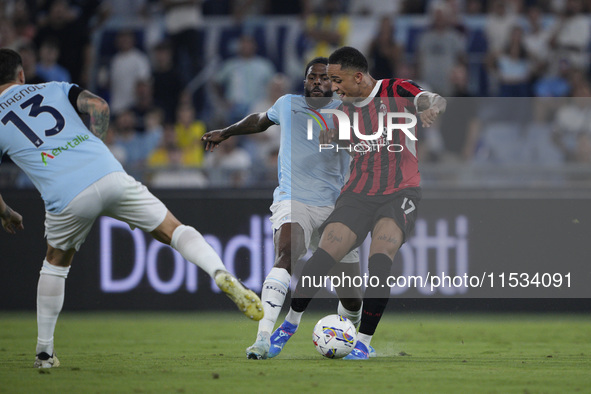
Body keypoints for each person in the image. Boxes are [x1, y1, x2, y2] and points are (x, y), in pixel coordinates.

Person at [0, 48, 263, 369]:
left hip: (64, 193)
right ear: (22, 75)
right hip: (107, 171)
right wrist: (96, 145)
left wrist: (4, 211)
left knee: (55, 264)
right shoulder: (53, 87)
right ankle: (220, 273)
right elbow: (99, 105)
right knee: (175, 230)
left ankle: (44, 353)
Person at [273, 46, 446, 360]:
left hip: (399, 194)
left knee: (380, 260)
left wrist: (430, 106)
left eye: (337, 80)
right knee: (325, 254)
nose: (333, 87)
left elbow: (430, 98)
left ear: (357, 76)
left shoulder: (394, 90)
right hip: (357, 194)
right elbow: (343, 139)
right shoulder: (342, 110)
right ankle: (289, 324)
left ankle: (363, 343)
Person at [202, 57, 365, 360]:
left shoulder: (348, 112)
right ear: (304, 81)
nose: (317, 83)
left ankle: (350, 335)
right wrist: (227, 131)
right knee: (286, 252)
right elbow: (259, 120)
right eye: (312, 78)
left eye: (324, 78)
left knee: (352, 297)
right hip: (293, 199)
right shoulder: (288, 104)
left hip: (335, 206)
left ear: (334, 82)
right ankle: (263, 338)